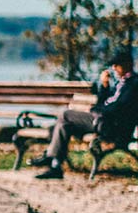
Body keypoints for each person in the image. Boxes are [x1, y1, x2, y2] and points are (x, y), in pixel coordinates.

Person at [33, 49, 138, 180]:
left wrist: (98, 111)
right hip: (103, 121)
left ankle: (49, 157)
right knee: (62, 126)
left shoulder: (134, 84)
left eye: (117, 64)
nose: (114, 68)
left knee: (65, 115)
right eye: (113, 65)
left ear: (128, 64)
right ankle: (55, 166)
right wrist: (104, 86)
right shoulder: (120, 83)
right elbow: (104, 103)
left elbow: (118, 108)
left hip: (112, 126)